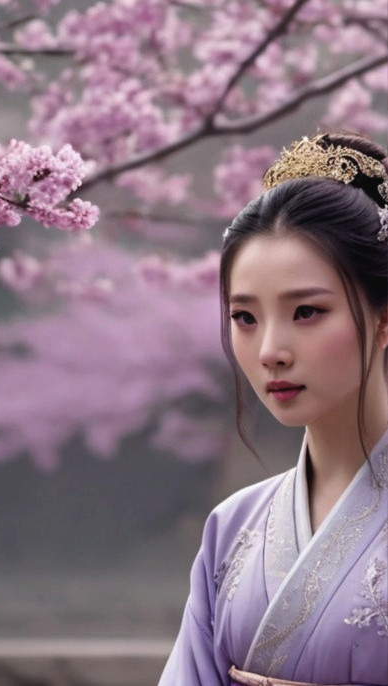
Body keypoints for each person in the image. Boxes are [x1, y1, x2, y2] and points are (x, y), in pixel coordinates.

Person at [158, 132, 388, 686]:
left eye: (306, 311)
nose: (269, 352)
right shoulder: (233, 526)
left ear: (383, 317)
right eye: (245, 318)